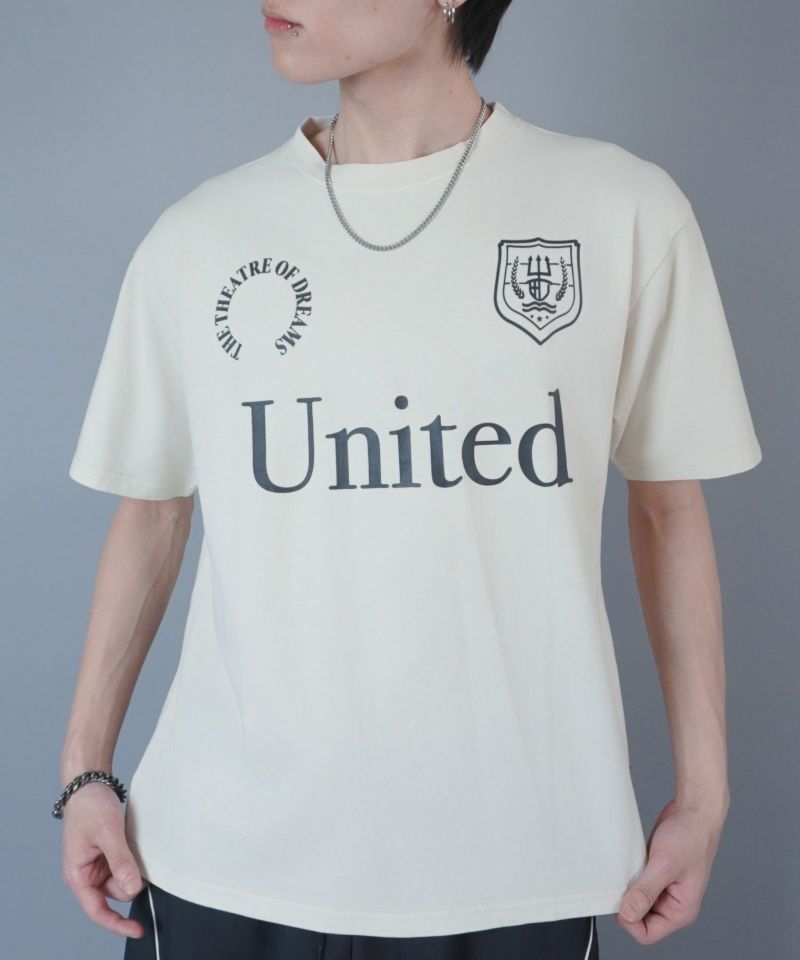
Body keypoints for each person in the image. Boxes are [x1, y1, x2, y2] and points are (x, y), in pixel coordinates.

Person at [55, 1, 763, 957]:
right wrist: (85, 773)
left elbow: (670, 509)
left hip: (515, 870)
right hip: (220, 863)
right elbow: (152, 512)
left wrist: (705, 795)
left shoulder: (620, 210)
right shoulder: (200, 236)